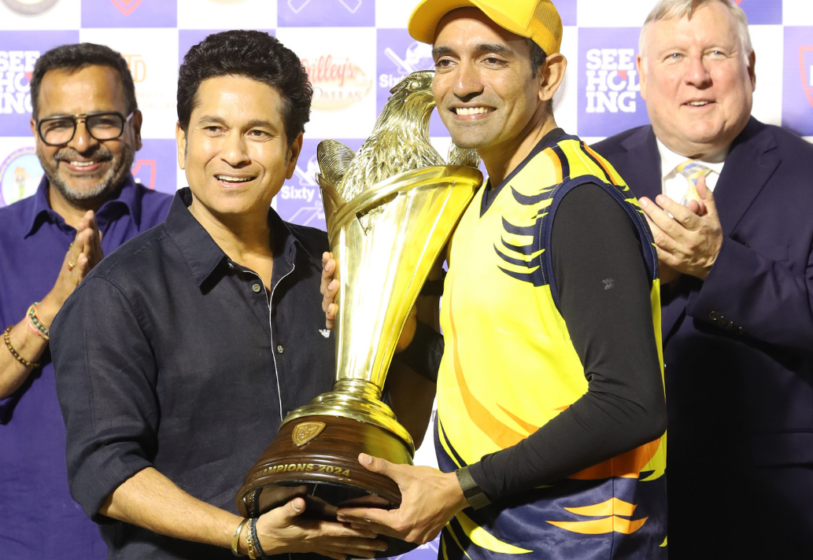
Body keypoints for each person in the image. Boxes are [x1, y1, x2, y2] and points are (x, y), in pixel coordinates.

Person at [322, 1, 669, 558]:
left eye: (491, 60)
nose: (462, 84)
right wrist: (384, 322)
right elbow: (483, 366)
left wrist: (459, 488)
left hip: (573, 541)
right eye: (445, 61)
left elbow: (631, 402)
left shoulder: (577, 199)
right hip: (483, 533)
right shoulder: (477, 198)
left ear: (547, 76)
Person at [50, 31, 391, 560]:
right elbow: (106, 471)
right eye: (214, 129)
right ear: (183, 140)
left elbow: (394, 410)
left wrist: (397, 326)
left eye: (258, 132)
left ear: (293, 149)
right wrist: (245, 537)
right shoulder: (117, 293)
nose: (233, 153)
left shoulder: (339, 265)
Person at [591, 0, 813, 557]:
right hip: (606, 504)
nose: (698, 73)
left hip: (767, 510)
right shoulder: (587, 176)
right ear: (641, 75)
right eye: (674, 56)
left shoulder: (807, 174)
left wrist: (721, 265)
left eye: (716, 52)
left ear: (751, 69)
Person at [0, 43, 171, 559]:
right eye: (59, 124)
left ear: (135, 126)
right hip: (9, 539)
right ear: (35, 133)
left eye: (102, 121)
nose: (81, 143)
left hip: (157, 542)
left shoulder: (183, 229)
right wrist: (54, 308)